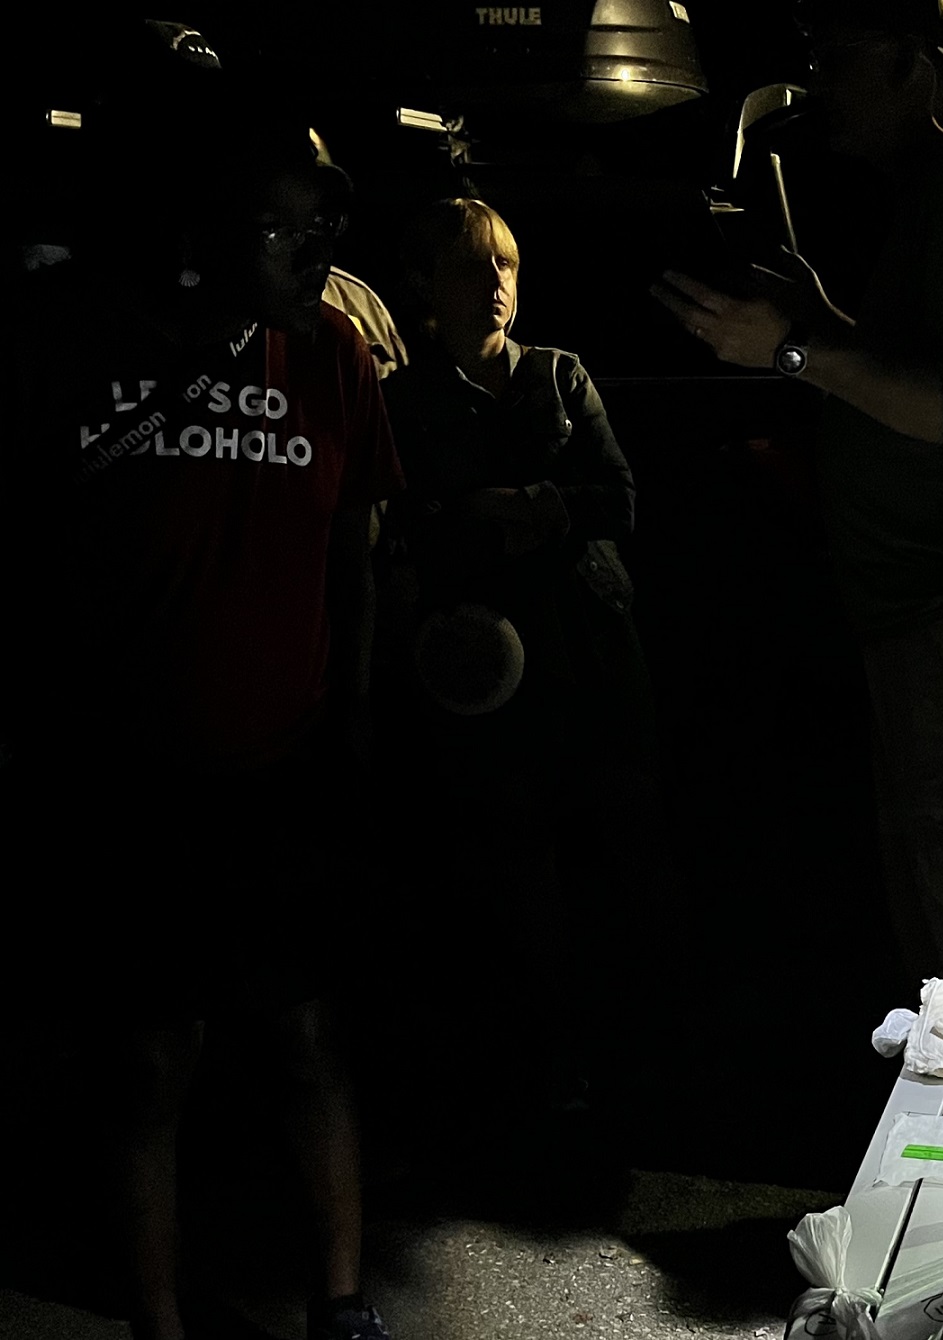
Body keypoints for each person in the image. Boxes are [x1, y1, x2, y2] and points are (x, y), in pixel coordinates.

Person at [5, 40, 400, 1340]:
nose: (319, 249)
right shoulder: (79, 340)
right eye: (292, 223)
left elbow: (355, 559)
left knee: (305, 1036)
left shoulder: (336, 360)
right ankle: (160, 1323)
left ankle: (341, 1307)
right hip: (128, 774)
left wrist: (350, 723)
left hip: (281, 766)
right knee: (147, 1062)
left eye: (332, 226)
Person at [651, 0, 943, 987]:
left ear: (913, 74)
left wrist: (792, 351)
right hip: (918, 597)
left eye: (840, 61)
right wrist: (823, 312)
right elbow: (924, 364)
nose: (817, 83)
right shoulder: (936, 196)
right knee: (934, 877)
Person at [380, 197, 655, 1169]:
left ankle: (606, 1061)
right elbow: (409, 521)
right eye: (470, 266)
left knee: (597, 860)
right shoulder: (409, 400)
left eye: (505, 264)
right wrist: (520, 511)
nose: (493, 282)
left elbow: (615, 498)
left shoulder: (557, 376)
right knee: (499, 871)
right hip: (479, 680)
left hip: (583, 664)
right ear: (427, 287)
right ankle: (522, 1068)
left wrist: (510, 505)